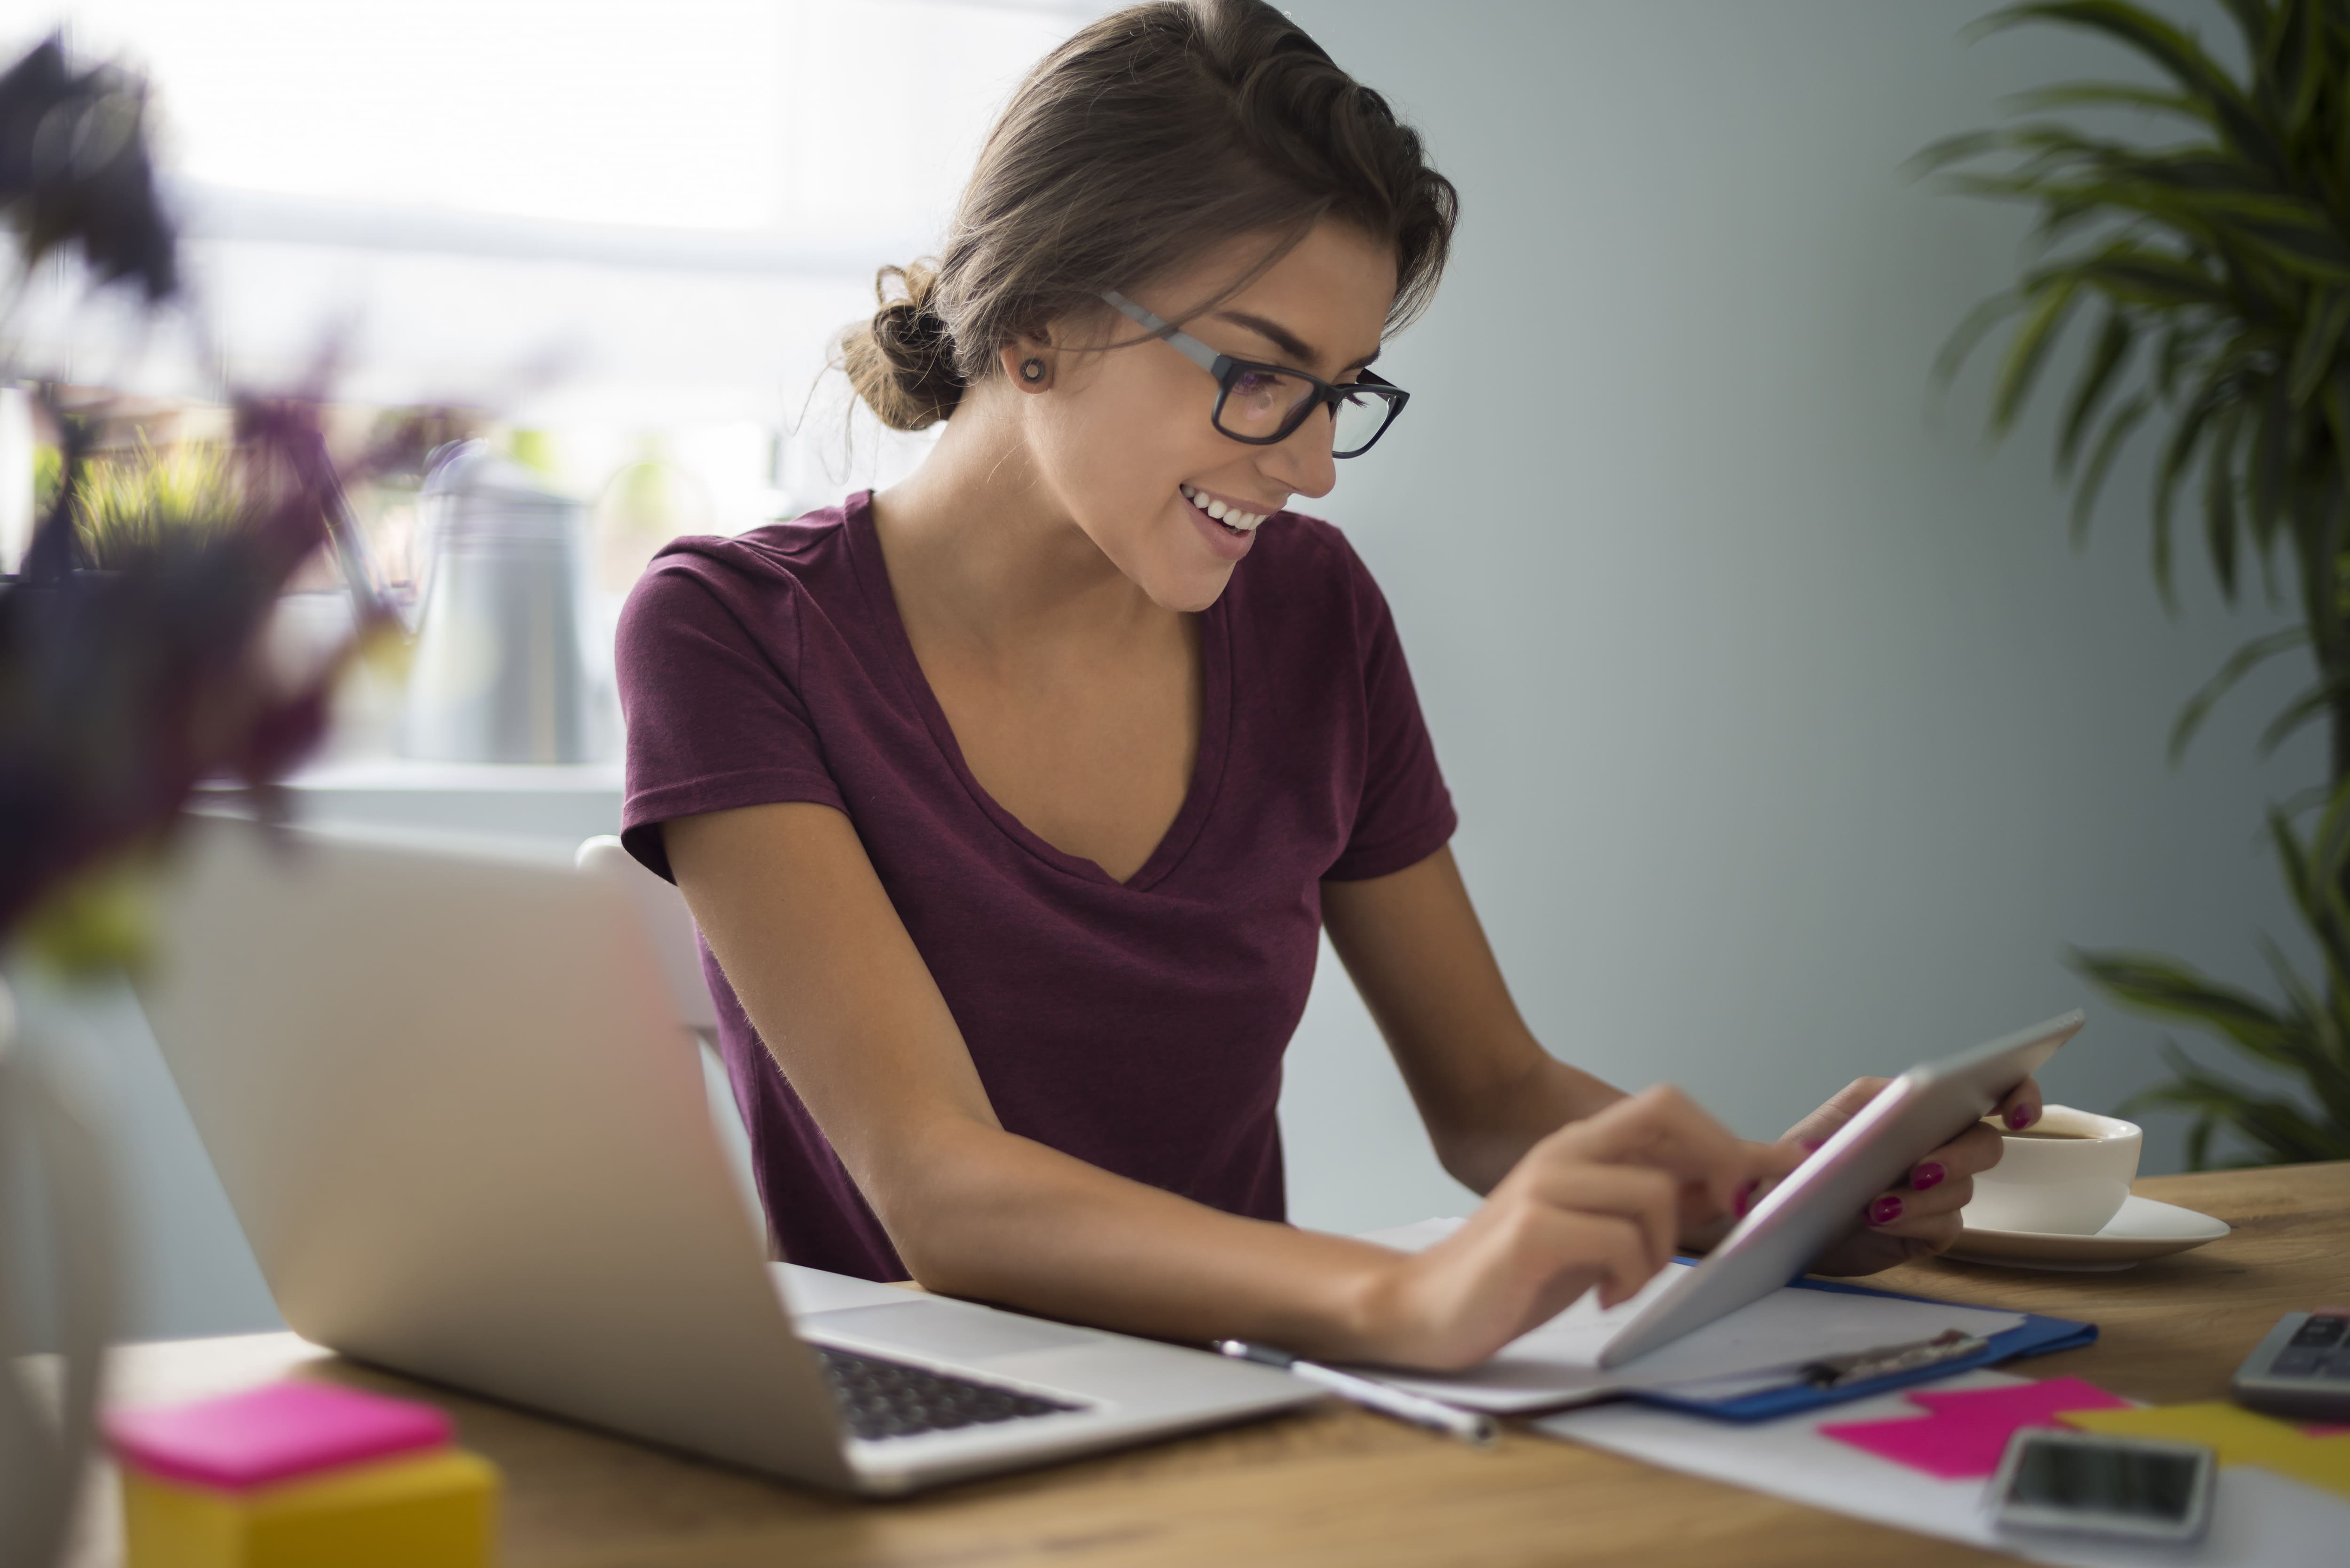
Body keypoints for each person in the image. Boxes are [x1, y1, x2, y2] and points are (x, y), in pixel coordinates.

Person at [615, 0, 2040, 1373]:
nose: (1311, 466)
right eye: (1258, 374)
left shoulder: (1314, 615)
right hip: (925, 1450)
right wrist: (1407, 1298)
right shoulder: (734, 632)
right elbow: (937, 1187)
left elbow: (1491, 1097)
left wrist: (1778, 1202)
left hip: (1262, 1414)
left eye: (1343, 389)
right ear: (1038, 320)